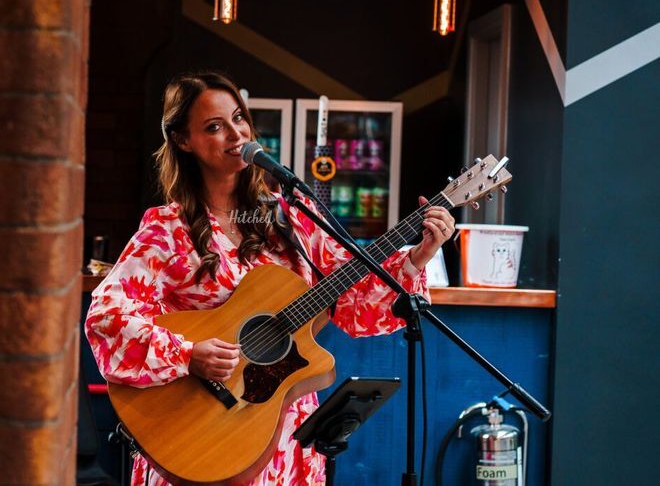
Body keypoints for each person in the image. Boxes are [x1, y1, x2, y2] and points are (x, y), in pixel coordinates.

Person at [84, 71, 455, 486]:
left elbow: (353, 308)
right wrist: (189, 353)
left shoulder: (289, 219)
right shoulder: (168, 230)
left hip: (283, 439)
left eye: (238, 118)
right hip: (206, 438)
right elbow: (106, 319)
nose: (234, 133)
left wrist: (418, 256)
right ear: (183, 141)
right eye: (214, 126)